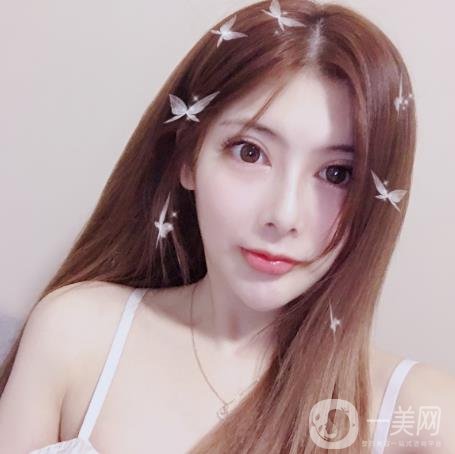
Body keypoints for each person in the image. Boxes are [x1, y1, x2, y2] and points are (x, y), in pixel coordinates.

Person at [0, 0, 454, 452]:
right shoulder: (77, 335)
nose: (284, 215)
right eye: (250, 152)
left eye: (337, 174)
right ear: (188, 157)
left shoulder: (421, 416)